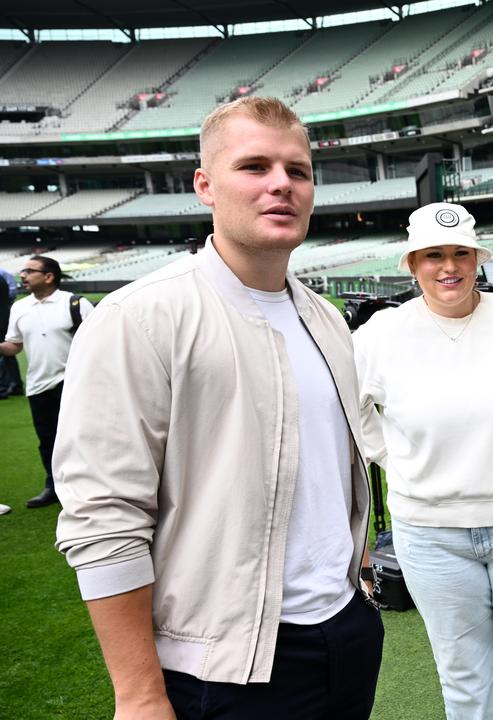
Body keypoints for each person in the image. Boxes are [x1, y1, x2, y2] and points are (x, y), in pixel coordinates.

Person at [54, 96, 382, 718]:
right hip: (223, 664)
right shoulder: (138, 318)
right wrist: (139, 694)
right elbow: (104, 517)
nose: (281, 184)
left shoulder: (327, 319)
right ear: (205, 185)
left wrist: (354, 572)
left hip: (345, 631)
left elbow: (331, 470)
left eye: (298, 170)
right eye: (254, 166)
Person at [353, 201, 493, 720]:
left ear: (477, 259)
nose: (449, 267)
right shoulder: (380, 334)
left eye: (461, 253)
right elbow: (349, 407)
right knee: (464, 675)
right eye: (433, 255)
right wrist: (389, 455)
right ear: (412, 264)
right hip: (429, 536)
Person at [0, 255, 93, 509]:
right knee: (48, 439)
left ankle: (90, 486)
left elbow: (99, 341)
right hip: (37, 384)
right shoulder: (20, 308)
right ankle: (54, 486)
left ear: (49, 276)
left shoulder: (75, 303)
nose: (23, 275)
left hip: (74, 382)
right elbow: (15, 345)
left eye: (30, 271)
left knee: (83, 437)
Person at [0, 265, 20, 398]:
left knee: (5, 353)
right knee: (7, 356)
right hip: (3, 317)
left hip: (2, 319)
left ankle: (4, 386)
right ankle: (13, 384)